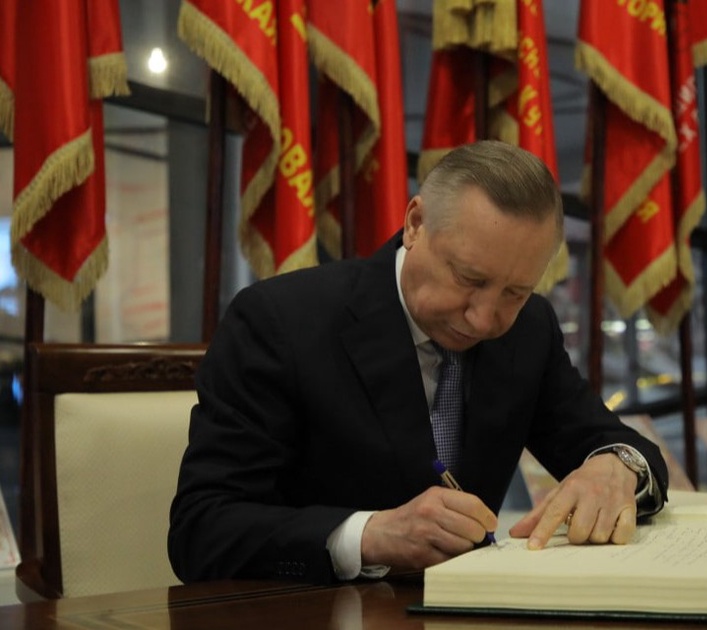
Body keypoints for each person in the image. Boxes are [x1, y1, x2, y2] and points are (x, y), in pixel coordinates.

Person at [168, 140, 669, 584]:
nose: (483, 318)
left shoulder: (530, 328)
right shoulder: (280, 322)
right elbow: (203, 529)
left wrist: (616, 466)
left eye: (515, 292)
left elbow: (615, 441)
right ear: (414, 224)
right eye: (469, 279)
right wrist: (369, 535)